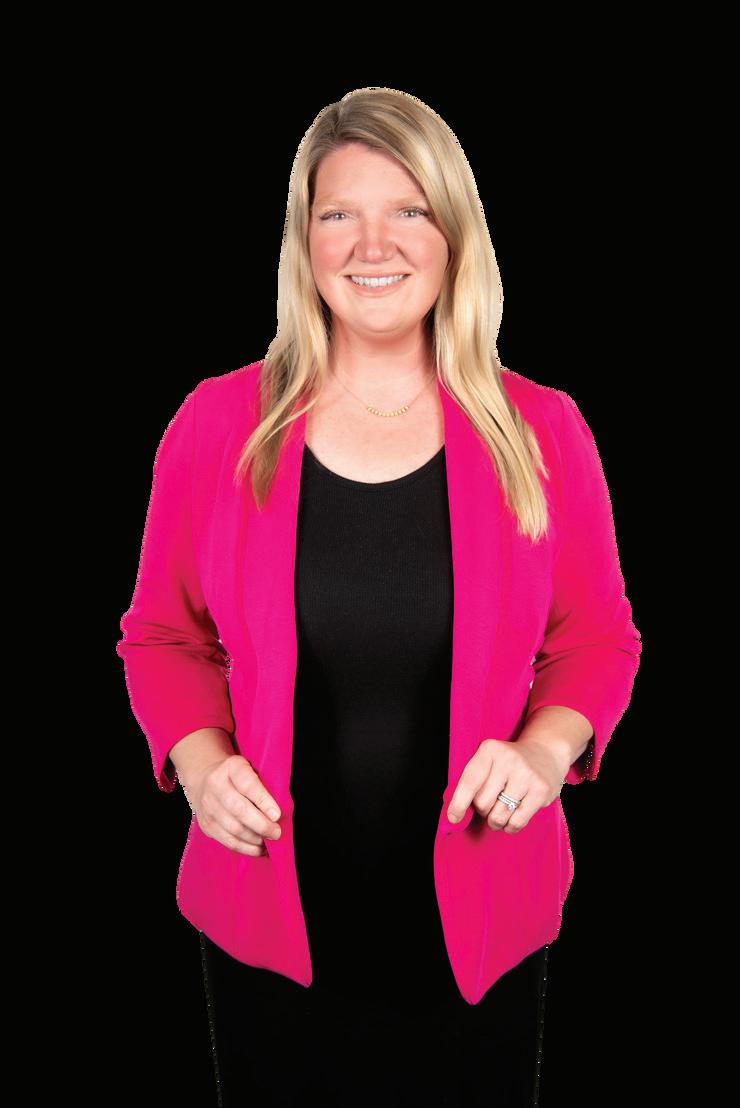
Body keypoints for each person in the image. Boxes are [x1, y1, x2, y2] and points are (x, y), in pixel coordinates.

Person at [116, 87, 642, 1107]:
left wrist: (543, 753)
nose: (373, 245)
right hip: (267, 923)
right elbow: (161, 635)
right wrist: (200, 759)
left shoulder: (542, 430)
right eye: (338, 214)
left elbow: (596, 641)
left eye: (408, 210)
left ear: (454, 235)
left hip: (480, 930)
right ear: (303, 242)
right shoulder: (217, 424)